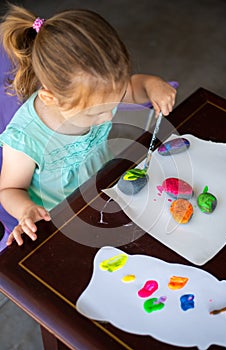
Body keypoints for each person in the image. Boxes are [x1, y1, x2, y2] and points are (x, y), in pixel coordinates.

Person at [0, 4, 176, 246]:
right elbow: (9, 189)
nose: (107, 118)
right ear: (50, 98)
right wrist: (26, 210)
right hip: (59, 218)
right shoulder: (26, 138)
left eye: (112, 103)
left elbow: (134, 87)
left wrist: (151, 84)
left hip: (105, 186)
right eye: (96, 112)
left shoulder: (98, 91)